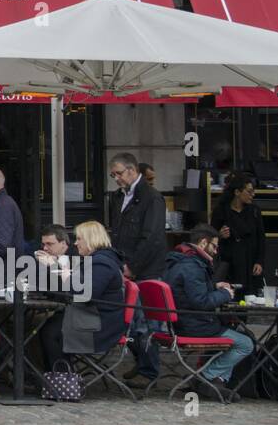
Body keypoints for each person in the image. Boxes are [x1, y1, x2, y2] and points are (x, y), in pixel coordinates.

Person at [161, 224, 252, 402]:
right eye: (215, 246)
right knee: (245, 343)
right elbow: (201, 302)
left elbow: (190, 293)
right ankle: (205, 377)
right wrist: (225, 294)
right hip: (195, 326)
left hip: (182, 322)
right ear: (203, 243)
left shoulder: (179, 261)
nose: (217, 251)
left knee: (233, 333)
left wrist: (213, 287)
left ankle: (217, 382)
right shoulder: (193, 267)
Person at [38, 221, 127, 372]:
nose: (75, 243)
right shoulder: (96, 260)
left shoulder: (102, 263)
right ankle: (53, 378)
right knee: (48, 326)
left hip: (100, 324)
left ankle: (63, 381)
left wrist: (61, 272)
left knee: (51, 332)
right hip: (92, 315)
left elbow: (86, 294)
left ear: (91, 240)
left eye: (79, 239)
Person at [107, 153, 166, 281]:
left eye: (119, 173)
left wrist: (132, 267)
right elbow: (116, 232)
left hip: (146, 271)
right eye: (113, 175)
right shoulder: (117, 196)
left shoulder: (152, 197)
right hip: (122, 266)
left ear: (132, 170)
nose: (116, 178)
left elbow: (152, 237)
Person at [211, 173, 265, 294]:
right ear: (237, 192)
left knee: (250, 296)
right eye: (249, 191)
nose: (253, 195)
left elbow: (261, 237)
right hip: (229, 262)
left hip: (250, 261)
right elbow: (211, 236)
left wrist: (259, 261)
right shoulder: (221, 211)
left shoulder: (254, 210)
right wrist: (219, 235)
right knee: (229, 295)